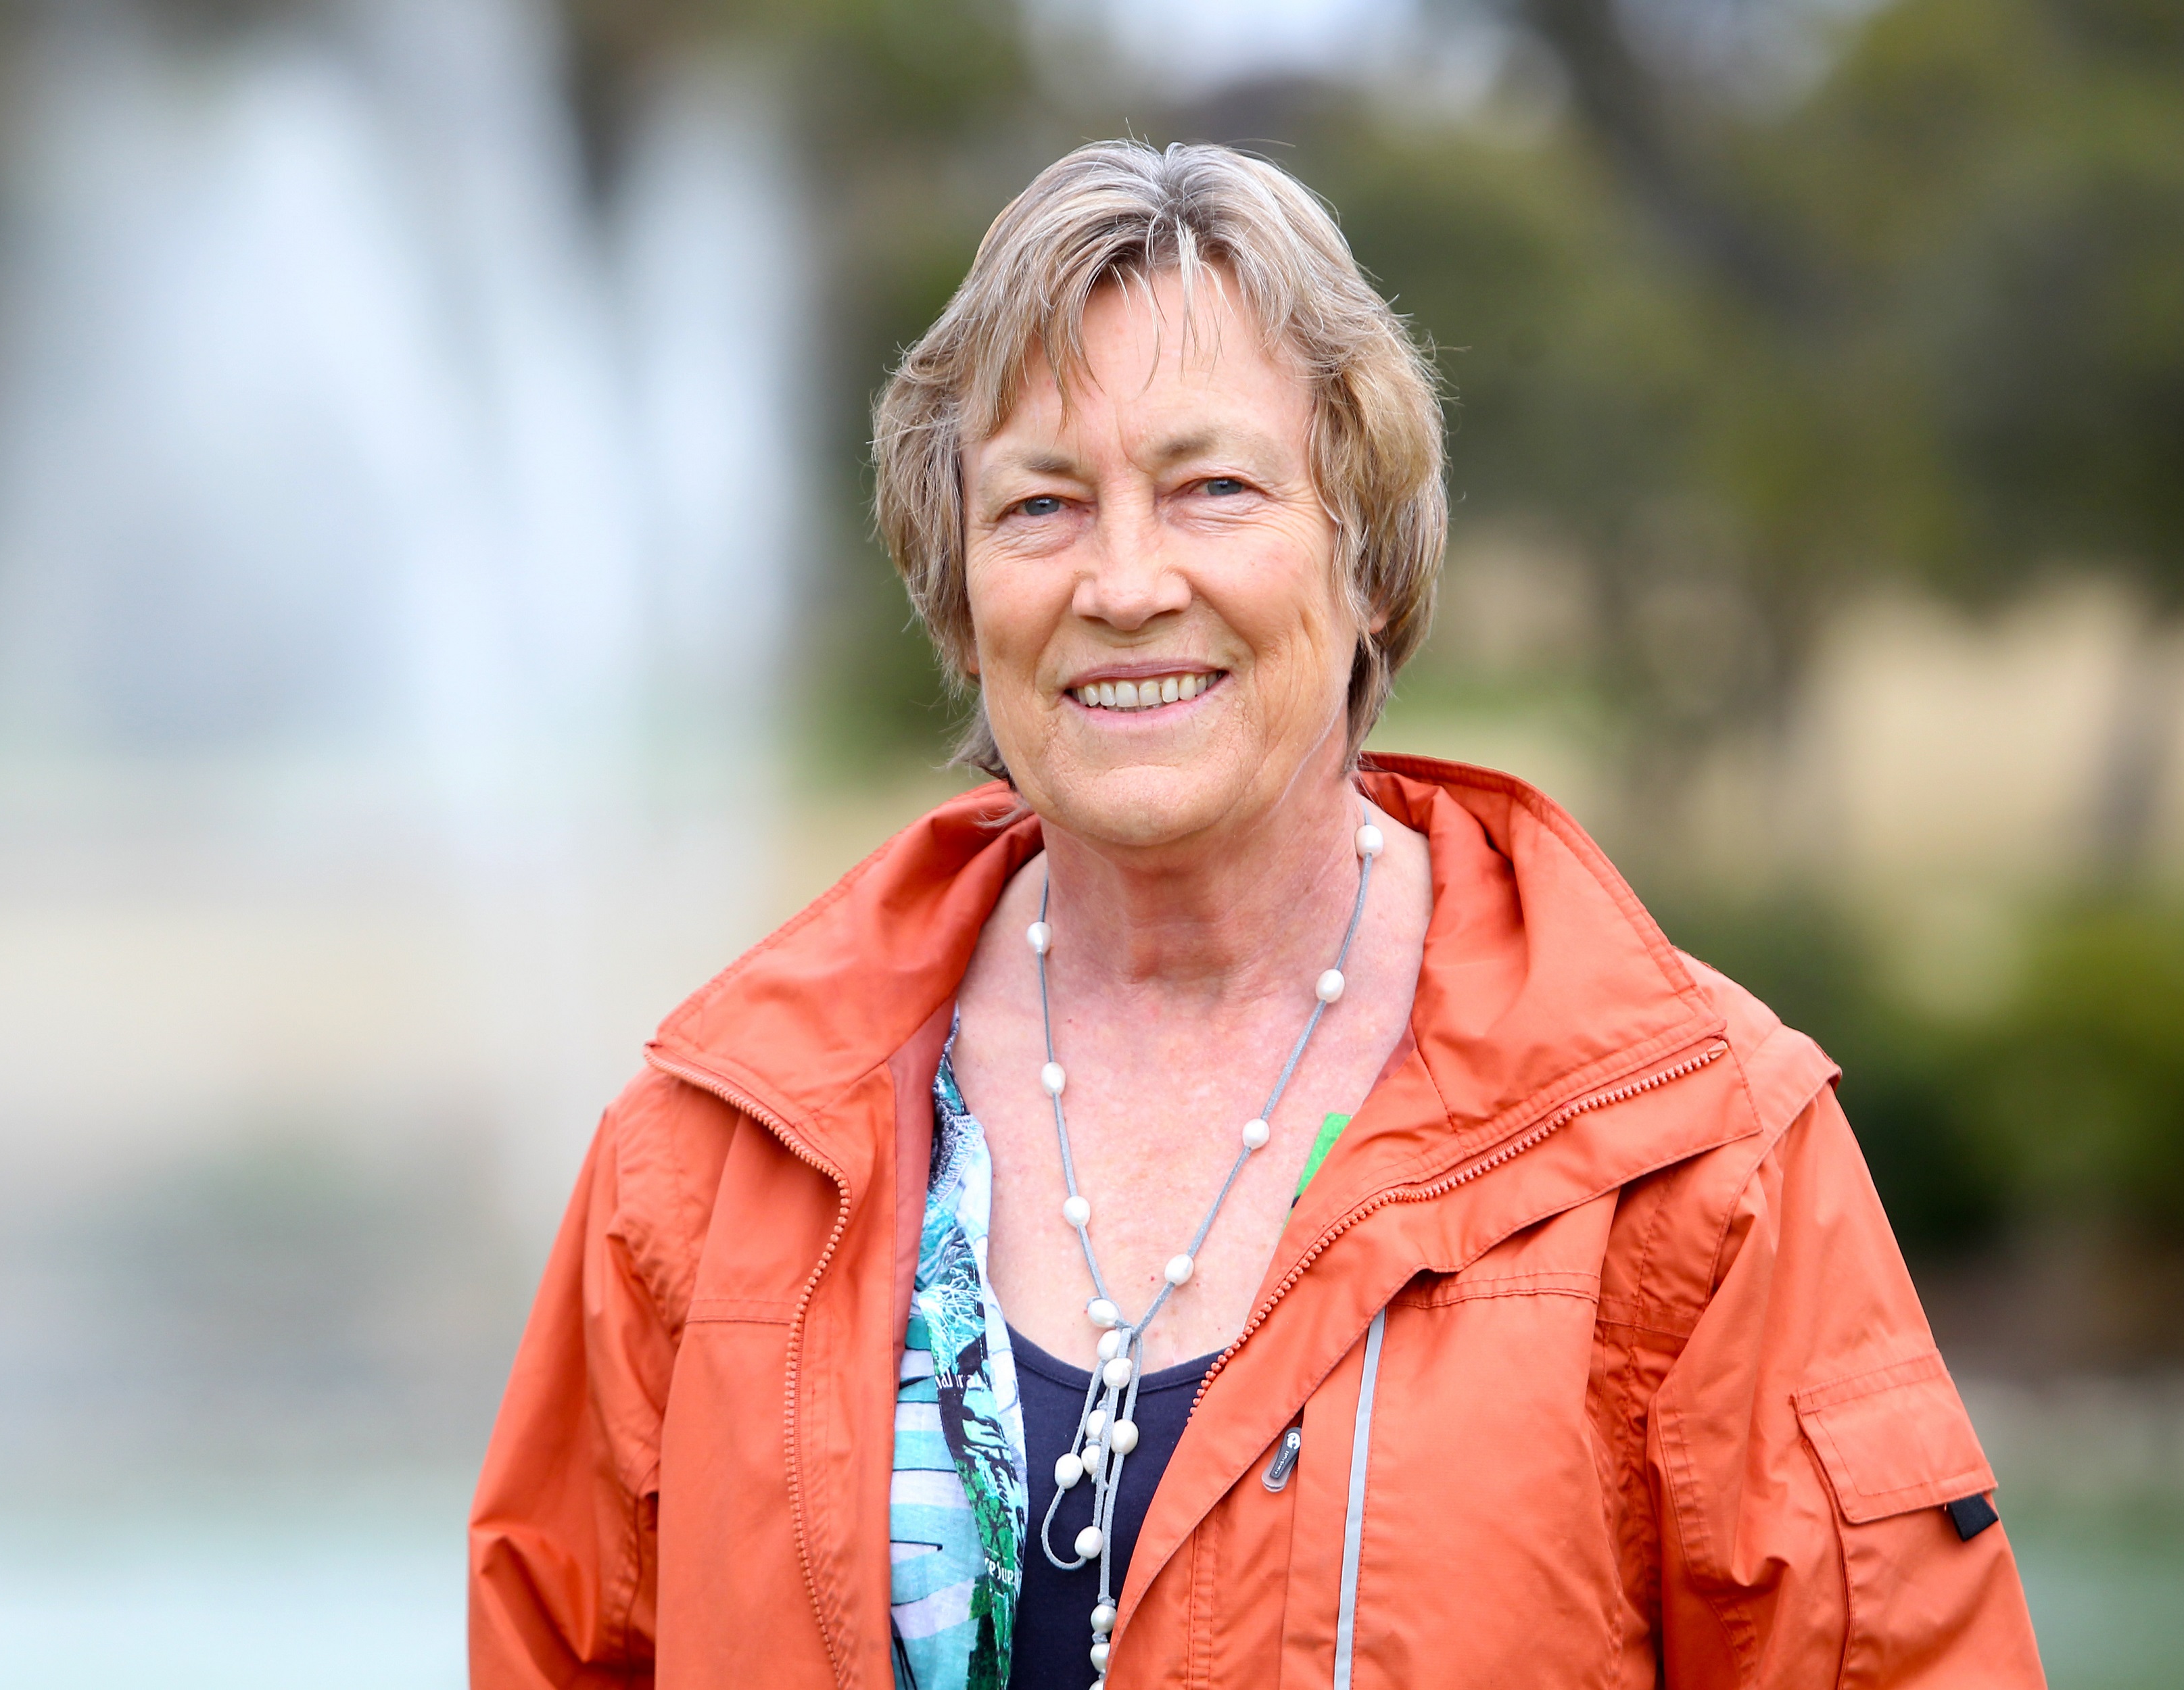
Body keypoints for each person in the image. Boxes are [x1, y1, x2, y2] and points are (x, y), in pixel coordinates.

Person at [468, 141, 2043, 1689]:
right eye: (1040, 506)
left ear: (1365, 555)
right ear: (955, 586)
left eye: (1213, 487)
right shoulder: (706, 1153)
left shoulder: (1693, 1146)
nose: (1127, 579)